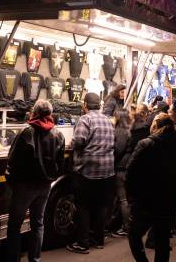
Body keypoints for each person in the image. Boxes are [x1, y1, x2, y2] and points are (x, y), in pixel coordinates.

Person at [6, 99, 65, 262]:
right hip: (45, 186)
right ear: (50, 114)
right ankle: (35, 259)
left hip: (24, 186)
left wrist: (11, 181)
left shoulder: (26, 132)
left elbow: (12, 159)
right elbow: (60, 163)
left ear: (35, 112)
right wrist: (50, 178)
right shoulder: (58, 134)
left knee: (14, 226)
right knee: (38, 224)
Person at [126, 113, 176, 262]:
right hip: (169, 202)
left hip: (146, 202)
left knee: (133, 233)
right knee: (162, 241)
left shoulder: (145, 144)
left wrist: (131, 199)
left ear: (156, 125)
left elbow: (130, 172)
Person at [67, 93, 115, 254]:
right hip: (107, 170)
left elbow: (79, 140)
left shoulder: (85, 119)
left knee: (83, 207)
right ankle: (99, 240)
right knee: (100, 206)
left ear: (85, 105)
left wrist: (71, 144)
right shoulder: (108, 120)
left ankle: (83, 243)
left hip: (88, 170)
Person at [110, 109, 134, 237]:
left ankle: (126, 228)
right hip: (127, 167)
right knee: (123, 199)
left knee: (122, 199)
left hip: (120, 168)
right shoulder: (129, 129)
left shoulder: (120, 131)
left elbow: (118, 150)